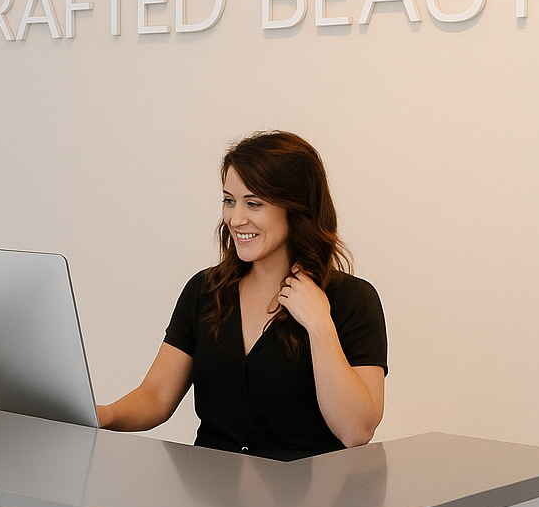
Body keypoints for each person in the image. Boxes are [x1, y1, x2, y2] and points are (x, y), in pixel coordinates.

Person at [97, 131, 387, 460]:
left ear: (297, 208)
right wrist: (102, 415)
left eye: (254, 203)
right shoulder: (205, 291)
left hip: (307, 504)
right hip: (211, 501)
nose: (236, 219)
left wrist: (320, 325)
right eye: (229, 200)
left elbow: (356, 431)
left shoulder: (352, 300)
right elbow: (155, 396)